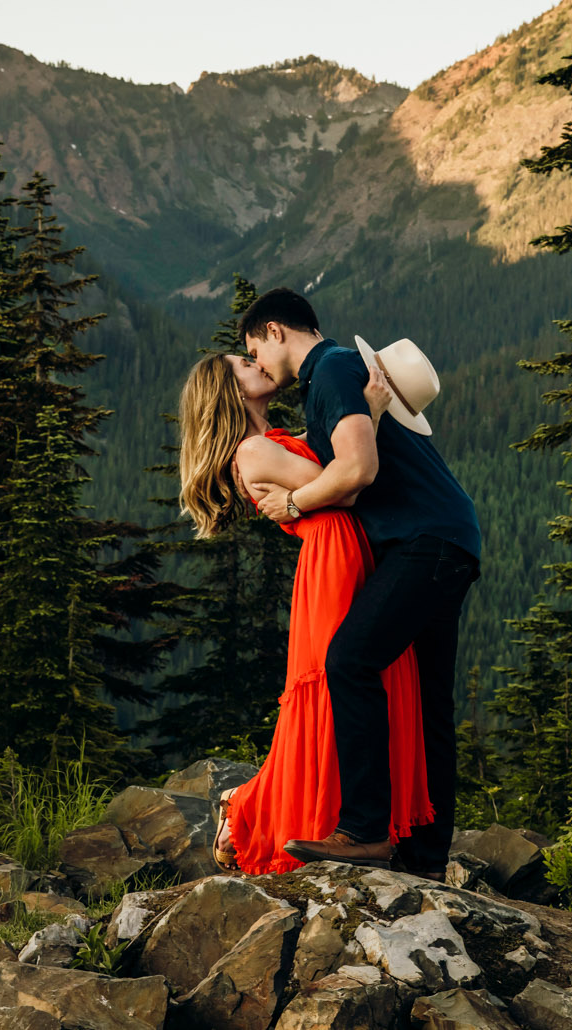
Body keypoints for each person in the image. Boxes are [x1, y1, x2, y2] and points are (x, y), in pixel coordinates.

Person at [237, 287, 481, 881]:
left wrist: (292, 502)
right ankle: (423, 860)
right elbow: (350, 472)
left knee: (347, 659)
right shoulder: (335, 376)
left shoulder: (332, 367)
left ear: (274, 331)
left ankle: (366, 832)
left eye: (253, 350)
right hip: (445, 538)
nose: (260, 365)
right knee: (428, 707)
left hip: (424, 541)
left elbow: (357, 470)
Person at [175, 351, 432, 874]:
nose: (257, 365)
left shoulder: (267, 439)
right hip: (333, 559)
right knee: (335, 686)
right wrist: (373, 414)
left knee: (351, 685)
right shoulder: (251, 452)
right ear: (230, 388)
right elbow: (345, 482)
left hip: (347, 552)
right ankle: (262, 809)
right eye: (243, 364)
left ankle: (342, 820)